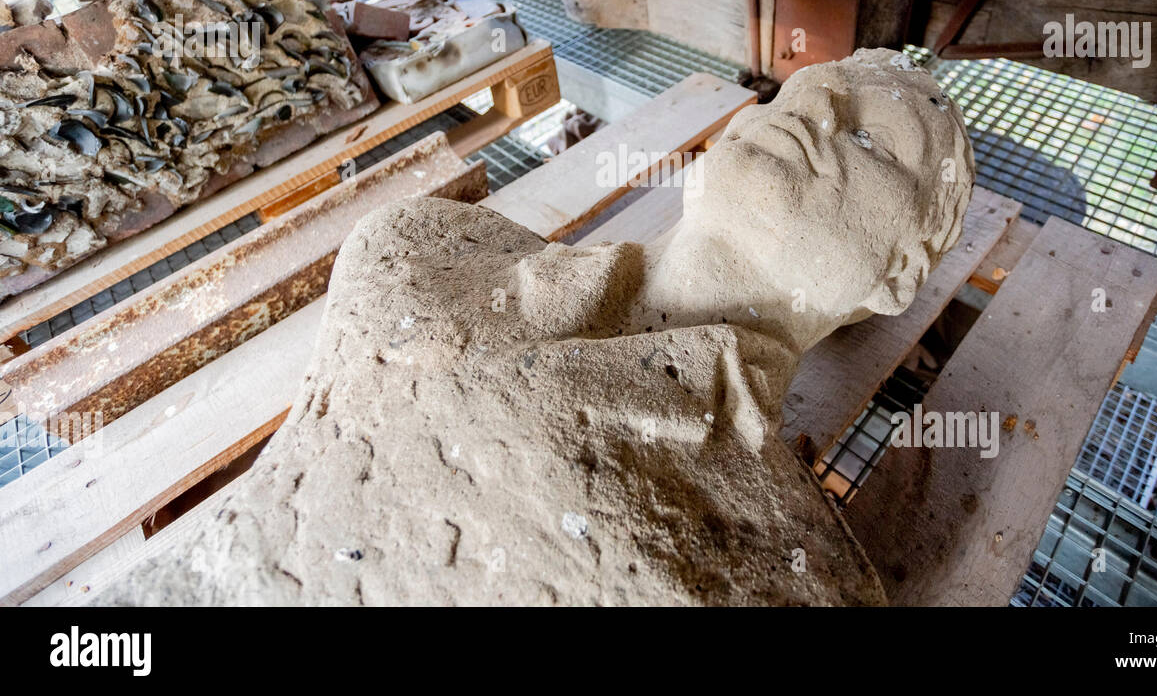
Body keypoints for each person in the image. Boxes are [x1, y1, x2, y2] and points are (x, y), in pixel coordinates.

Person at [110, 49, 973, 606]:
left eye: (874, 143)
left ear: (895, 278)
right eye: (798, 92)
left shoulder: (796, 578)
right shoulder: (420, 246)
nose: (814, 116)